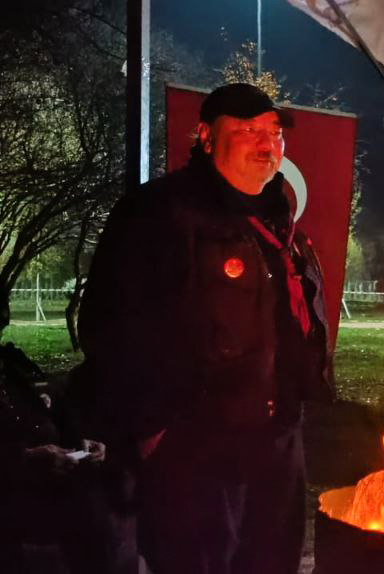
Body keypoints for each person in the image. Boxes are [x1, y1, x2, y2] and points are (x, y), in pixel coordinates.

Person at [78, 83, 334, 573]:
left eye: (275, 133)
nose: (267, 144)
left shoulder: (278, 218)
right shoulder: (160, 212)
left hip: (275, 441)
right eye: (247, 130)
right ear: (205, 137)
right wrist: (153, 428)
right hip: (195, 445)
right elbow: (112, 324)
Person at [0, 342, 117, 573]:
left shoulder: (13, 366)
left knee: (92, 509)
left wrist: (80, 442)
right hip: (10, 491)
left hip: (51, 485)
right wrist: (24, 458)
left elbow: (55, 408)